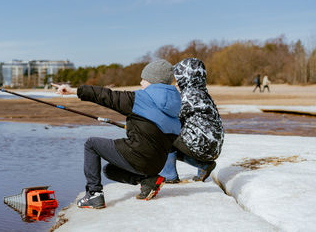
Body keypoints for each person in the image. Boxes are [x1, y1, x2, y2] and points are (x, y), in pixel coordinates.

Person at [53, 60, 181, 209]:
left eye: (144, 79)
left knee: (91, 144)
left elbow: (105, 95)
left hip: (138, 156)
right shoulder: (175, 108)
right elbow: (159, 132)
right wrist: (139, 128)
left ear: (153, 81)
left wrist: (72, 91)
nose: (140, 82)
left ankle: (94, 194)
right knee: (110, 170)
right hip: (156, 164)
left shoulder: (139, 99)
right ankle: (148, 180)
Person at [159, 58, 224, 183]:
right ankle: (203, 166)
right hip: (212, 146)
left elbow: (169, 117)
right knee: (181, 134)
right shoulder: (202, 93)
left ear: (186, 77)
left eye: (178, 78)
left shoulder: (188, 95)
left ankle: (168, 175)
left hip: (202, 145)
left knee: (164, 134)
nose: (176, 82)